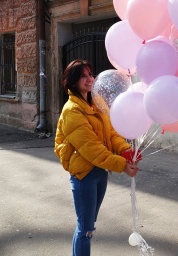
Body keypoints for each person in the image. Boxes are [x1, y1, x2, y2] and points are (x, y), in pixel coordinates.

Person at [54, 59, 142, 256]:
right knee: (85, 228)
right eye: (83, 76)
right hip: (84, 174)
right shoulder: (72, 111)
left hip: (100, 171)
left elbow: (111, 133)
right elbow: (91, 148)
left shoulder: (96, 103)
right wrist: (122, 164)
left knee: (89, 224)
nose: (89, 79)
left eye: (90, 75)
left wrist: (126, 150)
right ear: (73, 81)